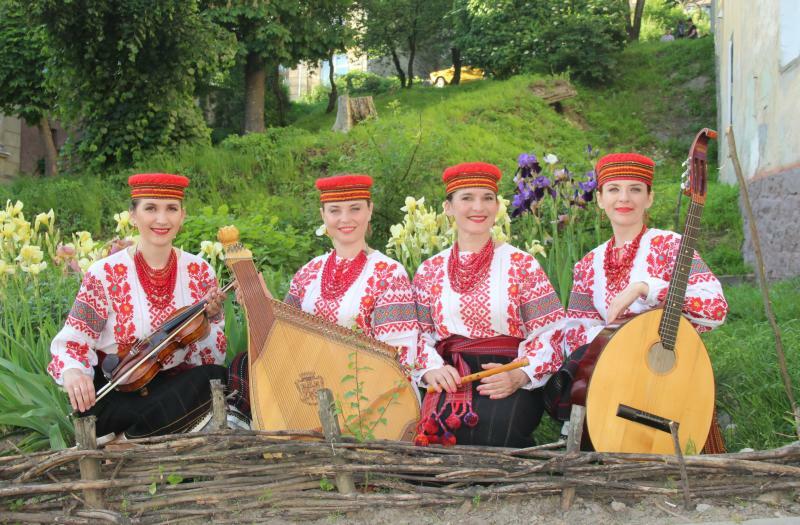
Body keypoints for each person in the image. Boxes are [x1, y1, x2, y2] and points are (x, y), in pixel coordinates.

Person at [557, 153, 728, 451]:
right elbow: (575, 333)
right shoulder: (588, 264)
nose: (624, 198)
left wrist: (646, 288)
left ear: (649, 198)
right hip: (616, 379)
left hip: (668, 382)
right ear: (599, 199)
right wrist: (622, 346)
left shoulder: (669, 246)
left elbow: (715, 309)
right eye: (613, 189)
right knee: (574, 366)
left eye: (635, 189)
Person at [49, 173, 228, 441]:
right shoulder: (105, 273)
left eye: (171, 209)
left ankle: (125, 444)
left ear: (182, 215)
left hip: (172, 389)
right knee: (165, 406)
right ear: (133, 215)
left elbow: (210, 358)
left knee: (217, 376)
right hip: (118, 392)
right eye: (150, 208)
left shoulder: (200, 271)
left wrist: (209, 323)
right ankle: (150, 437)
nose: (162, 219)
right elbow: (73, 342)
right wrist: (73, 372)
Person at [227, 174, 419, 419]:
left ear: (370, 211)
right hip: (313, 383)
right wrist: (262, 302)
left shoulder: (389, 274)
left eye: (355, 209)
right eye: (335, 210)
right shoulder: (309, 272)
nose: (345, 219)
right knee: (243, 365)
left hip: (366, 390)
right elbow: (284, 336)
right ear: (323, 215)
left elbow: (398, 357)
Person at [412, 162, 565, 448]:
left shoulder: (522, 265)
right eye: (467, 198)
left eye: (487, 198)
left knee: (497, 429)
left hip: (507, 370)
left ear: (497, 207)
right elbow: (417, 334)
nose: (478, 207)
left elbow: (550, 333)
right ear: (448, 207)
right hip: (451, 373)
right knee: (435, 433)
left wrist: (520, 375)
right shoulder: (429, 269)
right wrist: (430, 368)